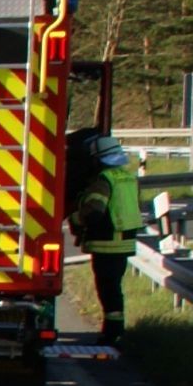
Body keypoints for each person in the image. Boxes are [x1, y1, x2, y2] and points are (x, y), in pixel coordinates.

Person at [66, 128, 146, 345]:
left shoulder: (103, 181)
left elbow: (94, 211)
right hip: (124, 244)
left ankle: (111, 334)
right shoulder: (128, 178)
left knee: (107, 290)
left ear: (97, 159)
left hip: (106, 245)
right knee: (114, 290)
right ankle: (115, 331)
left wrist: (75, 218)